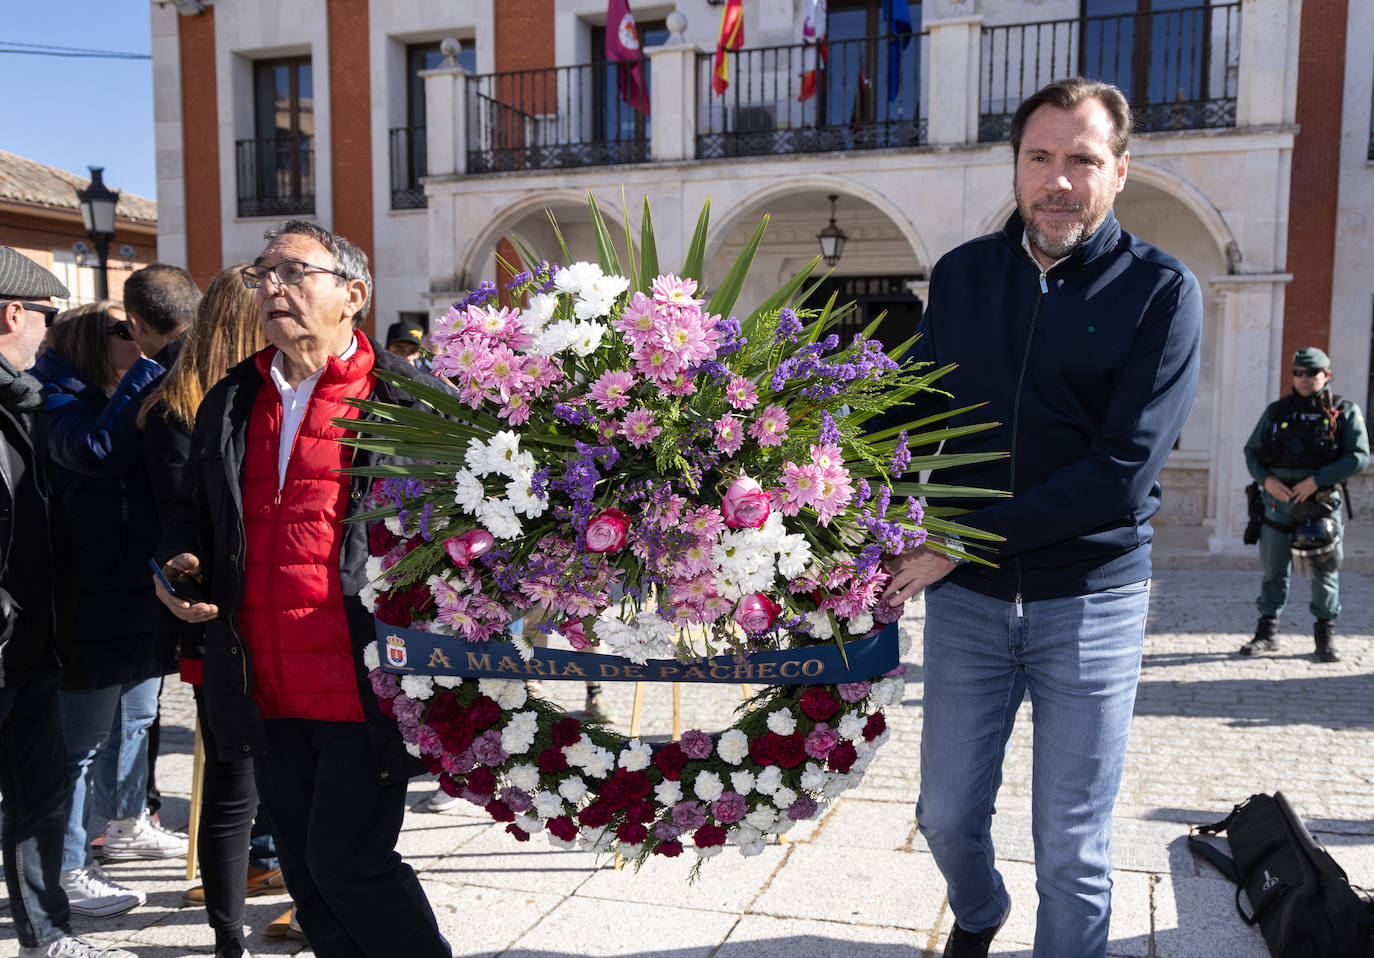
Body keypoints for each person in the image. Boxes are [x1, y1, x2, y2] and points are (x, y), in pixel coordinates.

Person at [881, 78, 1202, 958]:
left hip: (1092, 603)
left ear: (1119, 172)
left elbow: (1120, 475)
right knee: (943, 815)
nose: (1058, 181)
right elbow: (909, 411)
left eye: (1082, 161)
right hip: (971, 605)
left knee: (1072, 850)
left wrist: (955, 539)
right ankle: (979, 914)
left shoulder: (1163, 294)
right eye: (1040, 158)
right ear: (1016, 165)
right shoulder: (962, 276)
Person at [155, 221, 451, 958]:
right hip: (265, 685)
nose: (272, 289)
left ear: (353, 294)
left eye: (292, 271)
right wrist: (177, 563)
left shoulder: (409, 399)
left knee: (350, 866)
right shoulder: (233, 396)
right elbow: (188, 511)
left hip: (364, 685)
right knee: (309, 880)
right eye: (262, 275)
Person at [139, 266, 282, 958]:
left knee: (247, 782)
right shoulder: (191, 407)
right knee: (238, 782)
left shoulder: (250, 400)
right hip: (220, 624)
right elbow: (182, 523)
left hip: (238, 622)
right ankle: (235, 932)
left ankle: (260, 909)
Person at [0, 247, 136, 957]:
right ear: (13, 313)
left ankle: (46, 936)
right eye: (43, 320)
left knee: (40, 800)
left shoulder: (19, 402)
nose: (47, 337)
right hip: (11, 640)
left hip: (30, 648)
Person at [32, 303, 187, 920]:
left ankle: (124, 822)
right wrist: (140, 385)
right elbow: (96, 453)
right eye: (125, 332)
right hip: (86, 598)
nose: (138, 339)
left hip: (127, 591)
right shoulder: (57, 397)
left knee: (135, 719)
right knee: (79, 745)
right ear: (95, 343)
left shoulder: (105, 393)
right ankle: (66, 869)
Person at [122, 262, 202, 823]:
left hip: (192, 586)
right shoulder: (203, 380)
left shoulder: (172, 392)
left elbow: (180, 503)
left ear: (136, 325)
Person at [1238, 347, 1368, 662]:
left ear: (1327, 375)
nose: (1304, 378)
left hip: (1319, 506)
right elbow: (1251, 452)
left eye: (1312, 373)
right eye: (1298, 372)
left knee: (1324, 570)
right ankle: (1267, 634)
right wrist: (1267, 481)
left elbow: (1359, 456)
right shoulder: (1277, 411)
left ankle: (1325, 638)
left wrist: (1318, 480)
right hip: (1276, 505)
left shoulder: (1343, 411)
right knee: (1273, 570)